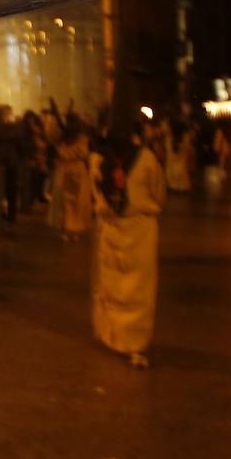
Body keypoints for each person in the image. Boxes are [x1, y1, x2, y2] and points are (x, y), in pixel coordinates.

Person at [92, 111, 167, 367]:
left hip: (111, 229)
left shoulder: (101, 161)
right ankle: (135, 344)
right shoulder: (147, 159)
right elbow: (159, 192)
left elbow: (98, 195)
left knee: (112, 287)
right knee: (139, 290)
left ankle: (111, 335)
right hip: (140, 231)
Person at [52, 114, 95, 240]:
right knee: (78, 202)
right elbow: (84, 153)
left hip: (64, 170)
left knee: (65, 202)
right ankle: (75, 229)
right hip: (79, 170)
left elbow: (60, 153)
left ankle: (64, 229)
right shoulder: (82, 139)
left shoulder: (62, 139)